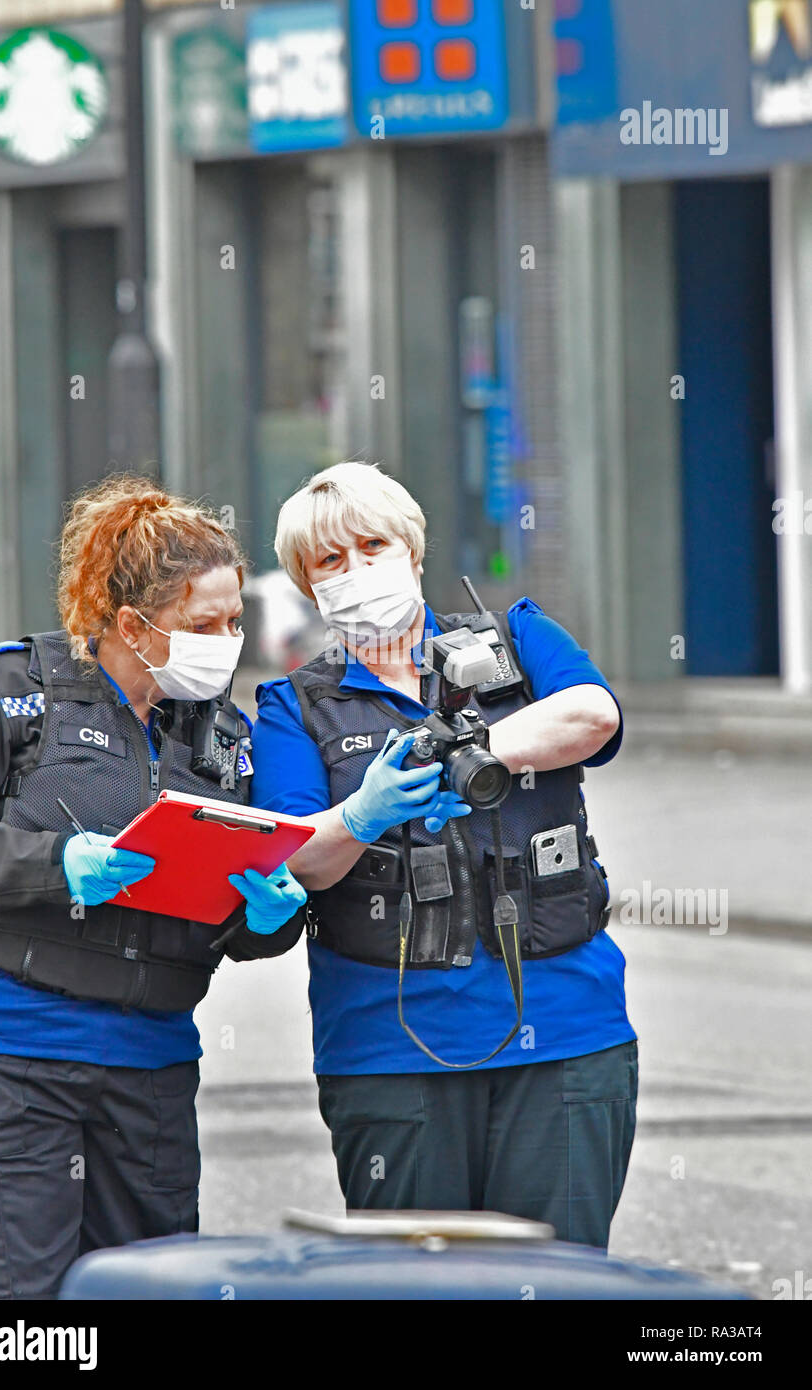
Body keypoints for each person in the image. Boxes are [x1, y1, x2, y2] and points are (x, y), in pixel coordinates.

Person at [249, 461, 638, 1249]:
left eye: (372, 545)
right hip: (392, 1050)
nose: (357, 570)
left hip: (565, 1032)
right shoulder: (293, 704)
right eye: (330, 561)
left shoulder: (517, 639)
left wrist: (465, 749)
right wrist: (362, 813)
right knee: (414, 1286)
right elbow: (297, 860)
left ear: (413, 551)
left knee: (560, 1277)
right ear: (307, 584)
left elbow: (593, 716)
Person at [0, 474, 307, 1299]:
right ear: (131, 626)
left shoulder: (223, 736)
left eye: (235, 619)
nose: (227, 639)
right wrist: (52, 865)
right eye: (202, 624)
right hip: (8, 1058)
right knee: (15, 1306)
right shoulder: (3, 691)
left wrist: (268, 919)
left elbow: (227, 919)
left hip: (151, 1070)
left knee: (147, 1289)